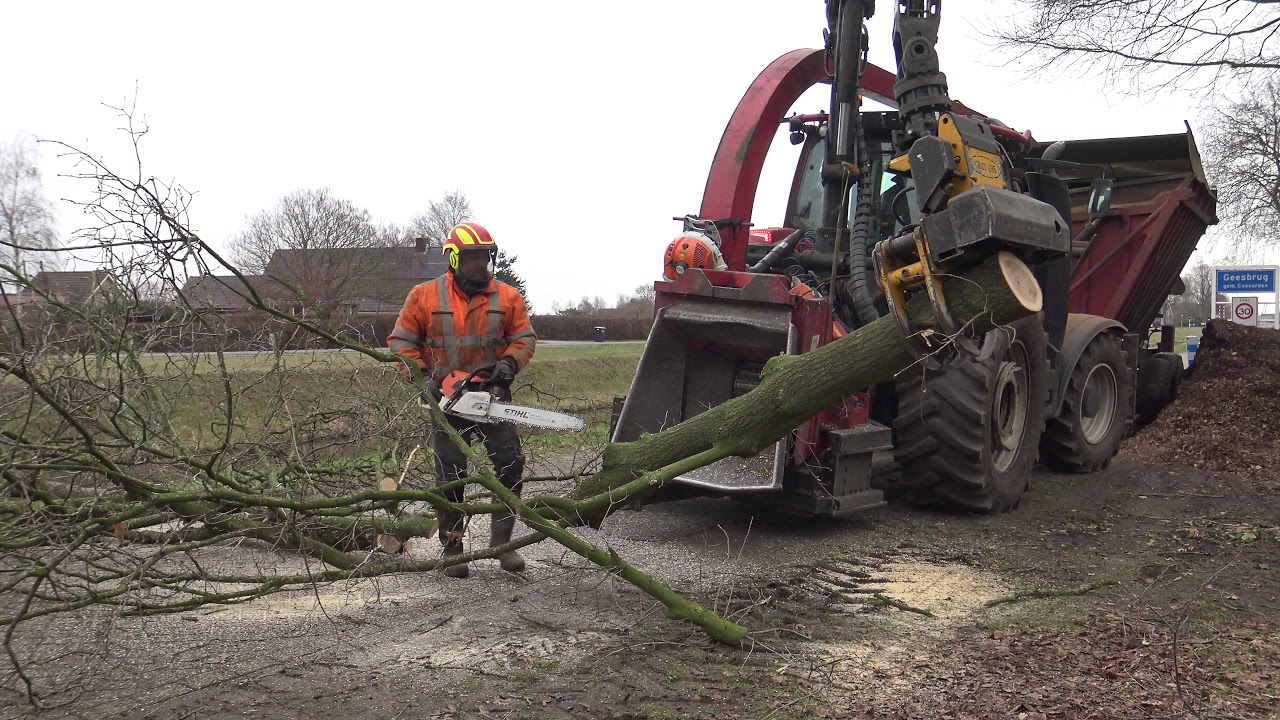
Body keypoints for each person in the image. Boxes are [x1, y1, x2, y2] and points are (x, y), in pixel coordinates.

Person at [388, 222, 537, 578]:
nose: (479, 264)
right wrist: (423, 379)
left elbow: (525, 338)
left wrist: (508, 365)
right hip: (446, 399)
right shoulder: (425, 295)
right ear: (455, 258)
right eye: (472, 257)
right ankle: (453, 548)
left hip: (492, 395)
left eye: (484, 256)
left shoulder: (507, 297)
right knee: (451, 475)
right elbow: (401, 342)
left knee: (510, 464)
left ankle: (503, 545)